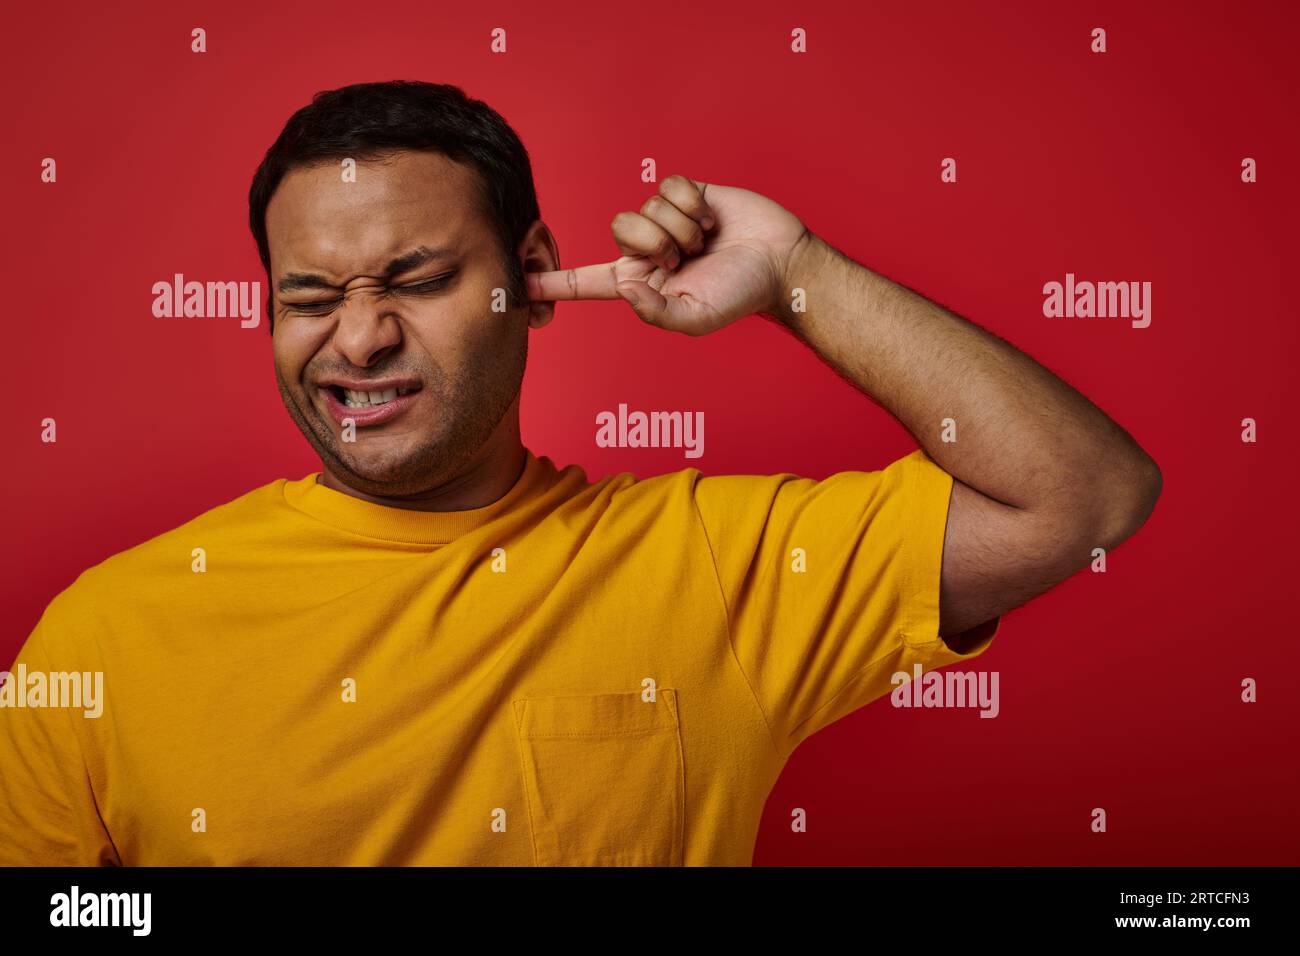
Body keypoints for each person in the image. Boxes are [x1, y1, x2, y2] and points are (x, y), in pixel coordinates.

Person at [0, 80, 1160, 866]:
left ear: (535, 275)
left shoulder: (713, 567)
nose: (356, 340)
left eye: (415, 278)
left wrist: (790, 269)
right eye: (309, 297)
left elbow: (1084, 496)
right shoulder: (101, 637)